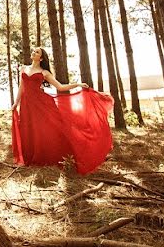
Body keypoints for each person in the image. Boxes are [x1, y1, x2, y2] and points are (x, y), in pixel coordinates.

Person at [11, 46, 115, 174]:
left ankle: (63, 155)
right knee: (28, 129)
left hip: (41, 105)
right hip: (27, 105)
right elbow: (21, 87)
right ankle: (30, 158)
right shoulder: (23, 68)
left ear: (41, 58)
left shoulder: (45, 73)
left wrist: (77, 85)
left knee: (45, 130)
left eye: (37, 52)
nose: (33, 52)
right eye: (33, 50)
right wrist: (16, 103)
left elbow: (60, 87)